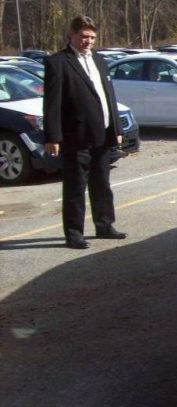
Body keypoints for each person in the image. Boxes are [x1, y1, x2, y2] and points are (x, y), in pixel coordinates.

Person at [44, 15, 127, 249]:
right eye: (83, 36)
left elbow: (109, 97)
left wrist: (117, 129)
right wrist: (53, 137)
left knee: (102, 184)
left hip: (103, 134)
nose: (88, 41)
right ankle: (74, 234)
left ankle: (104, 225)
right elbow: (52, 103)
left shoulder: (99, 60)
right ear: (71, 34)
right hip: (75, 137)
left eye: (91, 37)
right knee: (75, 188)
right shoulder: (58, 62)